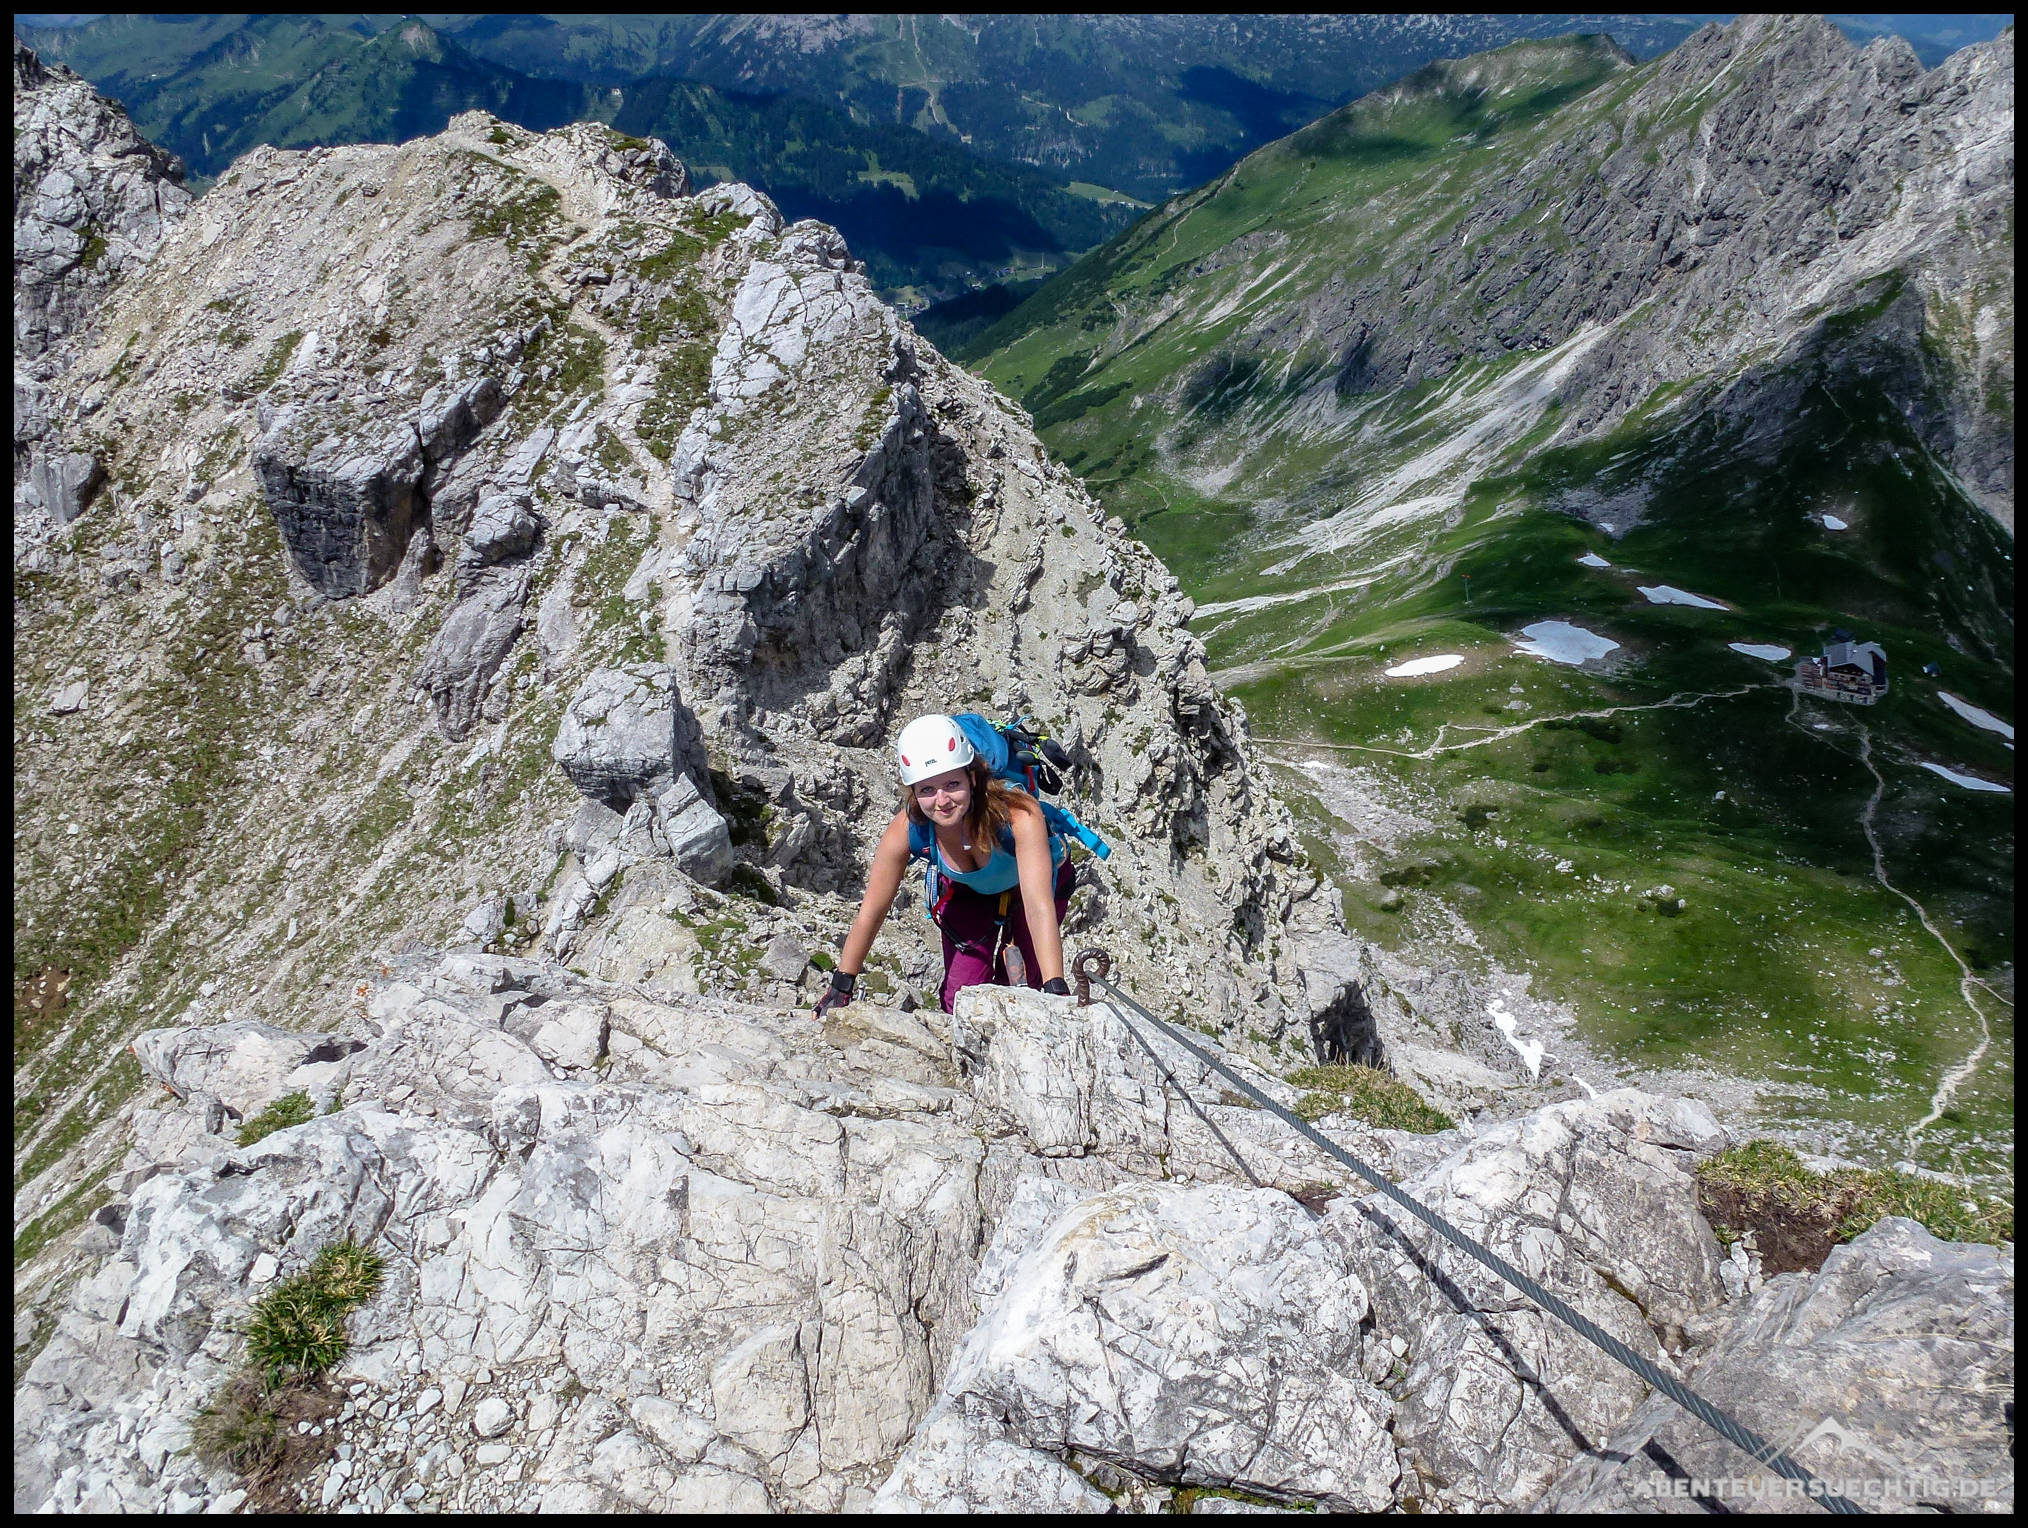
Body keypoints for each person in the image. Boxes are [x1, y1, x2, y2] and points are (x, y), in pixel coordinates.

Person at [813, 714, 1075, 1018]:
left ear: (972, 778)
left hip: (1035, 886)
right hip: (967, 892)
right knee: (961, 1000)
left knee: (1030, 984)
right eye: (927, 790)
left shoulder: (1018, 815)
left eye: (952, 784)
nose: (942, 800)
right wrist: (841, 986)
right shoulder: (908, 829)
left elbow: (1038, 905)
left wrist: (1055, 988)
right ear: (913, 792)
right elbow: (872, 909)